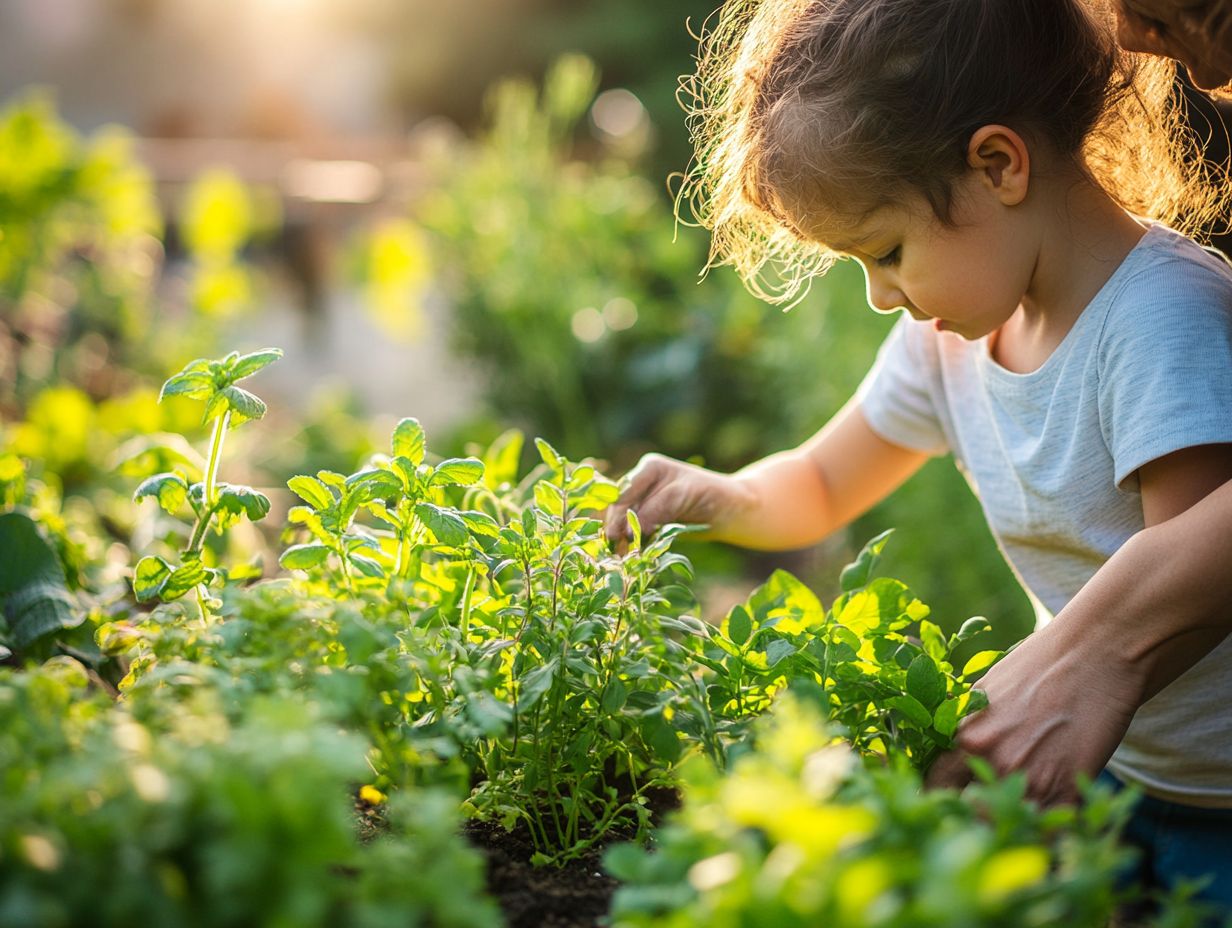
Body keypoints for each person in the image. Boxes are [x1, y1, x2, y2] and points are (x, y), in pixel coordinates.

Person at [604, 0, 1232, 910]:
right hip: (1103, 773)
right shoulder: (953, 340)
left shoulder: (1159, 324)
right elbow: (822, 481)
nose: (878, 294)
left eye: (887, 250)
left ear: (997, 165)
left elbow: (1196, 583)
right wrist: (721, 495)